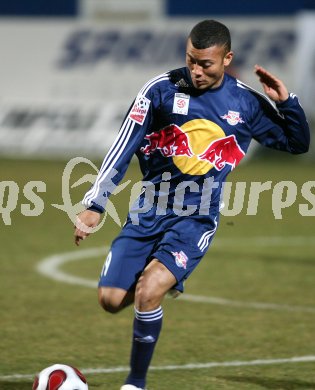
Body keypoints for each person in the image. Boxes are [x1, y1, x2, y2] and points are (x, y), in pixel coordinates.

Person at [74, 20, 310, 390]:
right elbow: (124, 145)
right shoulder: (161, 90)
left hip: (195, 219)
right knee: (109, 299)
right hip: (147, 212)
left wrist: (287, 102)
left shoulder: (245, 101)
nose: (197, 71)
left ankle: (135, 383)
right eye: (191, 61)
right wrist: (96, 203)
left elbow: (297, 144)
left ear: (227, 59)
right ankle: (163, 278)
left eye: (206, 64)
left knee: (149, 291)